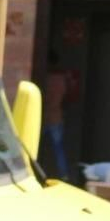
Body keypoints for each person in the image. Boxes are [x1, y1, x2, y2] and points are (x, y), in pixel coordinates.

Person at [42, 50, 71, 179]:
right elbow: (66, 96)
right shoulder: (62, 79)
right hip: (56, 116)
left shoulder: (45, 78)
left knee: (32, 145)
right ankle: (63, 174)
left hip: (44, 117)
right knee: (58, 148)